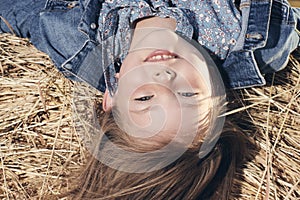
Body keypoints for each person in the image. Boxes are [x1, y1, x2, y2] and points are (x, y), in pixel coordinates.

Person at [1, 0, 299, 199]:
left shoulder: (72, 42)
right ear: (219, 97)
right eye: (188, 95)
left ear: (112, 97)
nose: (165, 77)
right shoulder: (255, 39)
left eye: (144, 98)